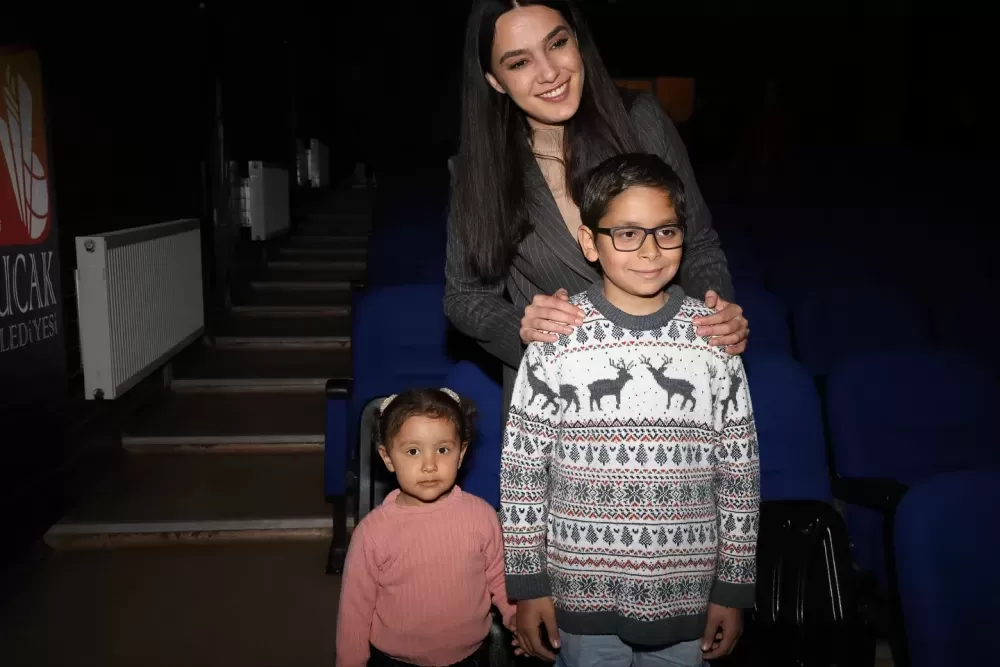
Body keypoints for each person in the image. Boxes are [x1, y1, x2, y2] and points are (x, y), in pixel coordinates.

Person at [500, 153, 760, 667]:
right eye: (626, 233)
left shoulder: (712, 340)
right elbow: (523, 471)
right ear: (589, 242)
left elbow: (740, 472)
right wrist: (529, 585)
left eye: (666, 232)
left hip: (686, 592)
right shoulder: (556, 339)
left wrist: (733, 588)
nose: (649, 250)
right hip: (580, 590)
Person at [445, 0, 750, 419]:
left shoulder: (642, 123)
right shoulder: (479, 171)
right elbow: (465, 296)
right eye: (519, 62)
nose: (549, 72)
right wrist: (521, 327)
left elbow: (698, 244)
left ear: (577, 41)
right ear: (495, 80)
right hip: (560, 401)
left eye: (557, 44)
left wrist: (714, 312)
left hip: (672, 400)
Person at [336, 388, 516, 667]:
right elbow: (355, 609)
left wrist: (516, 616)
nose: (429, 465)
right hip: (395, 661)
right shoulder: (372, 533)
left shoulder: (482, 516)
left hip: (471, 657)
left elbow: (501, 577)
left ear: (461, 453)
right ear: (388, 458)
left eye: (443, 450)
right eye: (413, 451)